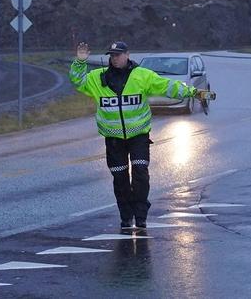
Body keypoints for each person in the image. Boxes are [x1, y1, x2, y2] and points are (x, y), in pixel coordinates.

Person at [69, 41, 208, 230]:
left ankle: (141, 216)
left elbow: (168, 86)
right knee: (120, 179)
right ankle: (126, 217)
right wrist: (79, 61)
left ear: (127, 54)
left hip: (138, 136)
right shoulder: (98, 77)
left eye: (118, 54)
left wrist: (194, 92)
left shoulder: (142, 76)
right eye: (112, 55)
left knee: (140, 174)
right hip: (113, 139)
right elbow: (78, 81)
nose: (114, 58)